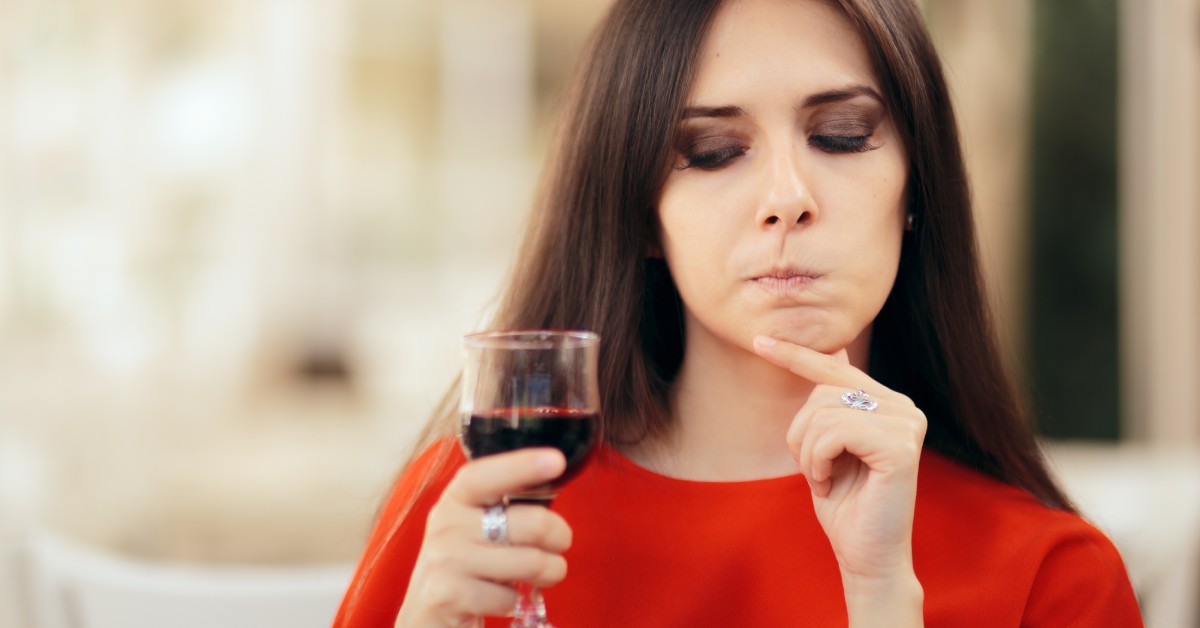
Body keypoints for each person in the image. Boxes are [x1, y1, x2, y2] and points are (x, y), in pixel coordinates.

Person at [334, 0, 1143, 625]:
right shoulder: (481, 507)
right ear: (642, 211)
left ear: (916, 188)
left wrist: (885, 603)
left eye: (841, 134)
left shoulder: (1053, 577)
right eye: (713, 152)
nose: (787, 199)